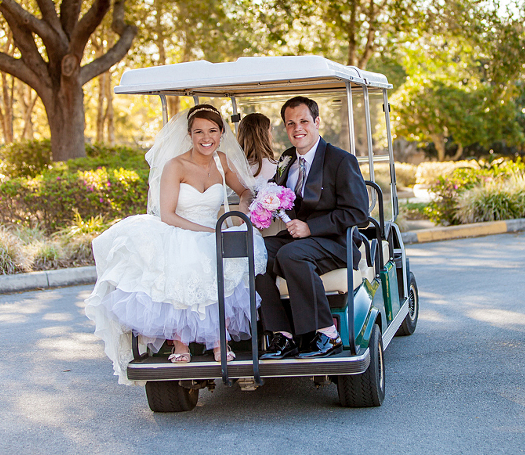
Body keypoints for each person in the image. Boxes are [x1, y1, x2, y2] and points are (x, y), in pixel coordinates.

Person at [85, 104, 267, 385]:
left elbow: (245, 190)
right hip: (180, 229)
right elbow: (168, 215)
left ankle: (221, 341)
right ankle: (180, 344)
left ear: (221, 133)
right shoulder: (176, 165)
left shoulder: (222, 161)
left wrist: (242, 210)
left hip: (212, 230)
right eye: (199, 132)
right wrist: (210, 230)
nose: (206, 137)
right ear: (189, 134)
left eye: (212, 131)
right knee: (186, 262)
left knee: (230, 262)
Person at [255, 96, 369, 359]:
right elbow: (277, 194)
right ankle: (282, 335)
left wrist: (310, 227)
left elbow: (358, 212)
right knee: (256, 253)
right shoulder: (286, 159)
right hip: (300, 242)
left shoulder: (341, 160)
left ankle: (327, 333)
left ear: (317, 122)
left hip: (336, 242)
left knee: (289, 254)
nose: (298, 128)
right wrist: (265, 205)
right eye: (291, 123)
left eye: (304, 121)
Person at [237, 112, 277, 188]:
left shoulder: (232, 167)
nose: (271, 136)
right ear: (264, 136)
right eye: (270, 131)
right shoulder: (276, 167)